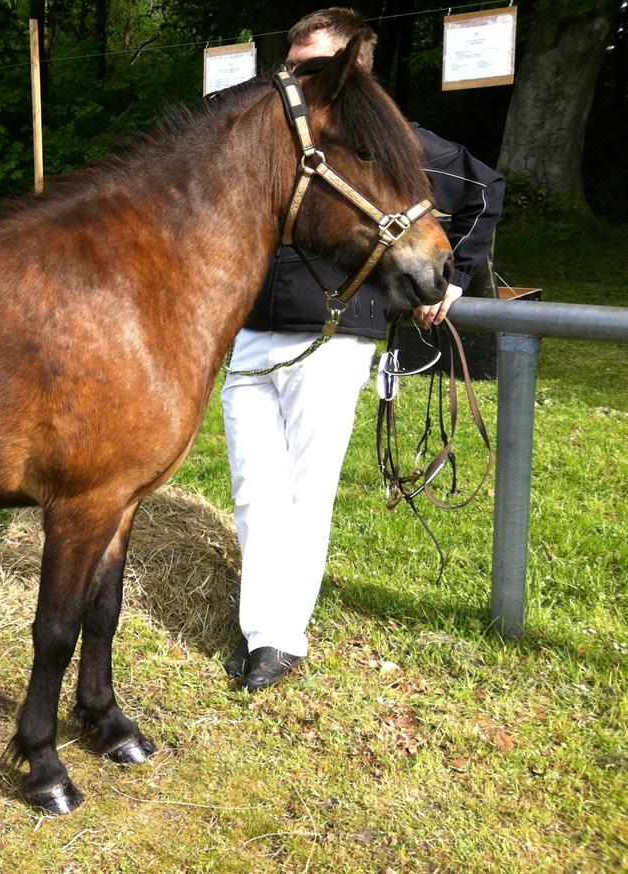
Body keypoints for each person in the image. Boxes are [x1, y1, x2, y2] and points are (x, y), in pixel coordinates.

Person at [221, 7, 505, 692]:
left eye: (309, 68)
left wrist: (455, 278)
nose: (292, 79)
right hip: (251, 331)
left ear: (351, 68)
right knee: (255, 488)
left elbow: (483, 189)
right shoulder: (275, 137)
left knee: (304, 489)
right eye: (289, 66)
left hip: (333, 331)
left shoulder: (394, 143)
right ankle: (262, 626)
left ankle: (279, 640)